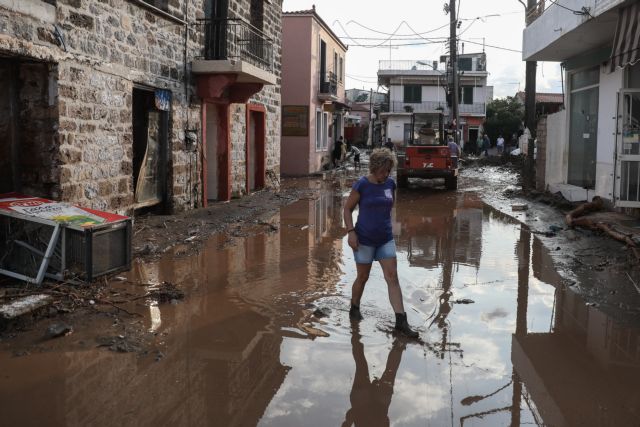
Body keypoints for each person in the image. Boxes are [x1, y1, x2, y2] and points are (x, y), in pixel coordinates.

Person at [343, 148, 419, 338]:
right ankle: (354, 308)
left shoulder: (390, 184)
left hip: (385, 238)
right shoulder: (362, 185)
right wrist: (351, 232)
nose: (386, 174)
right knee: (363, 277)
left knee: (392, 277)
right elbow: (347, 209)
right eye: (383, 170)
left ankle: (401, 322)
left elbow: (389, 207)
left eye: (389, 170)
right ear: (375, 167)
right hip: (364, 239)